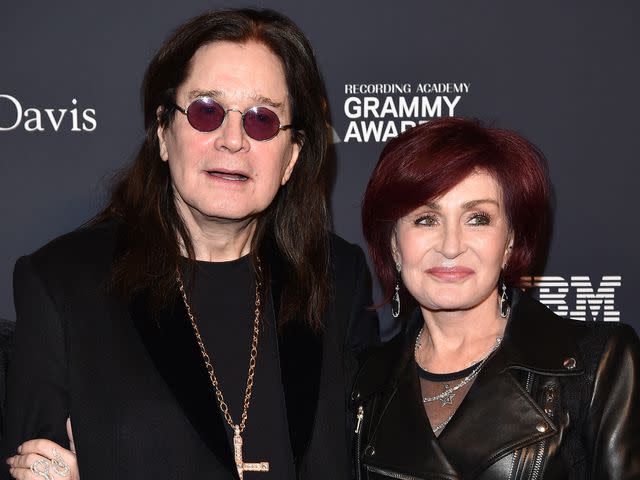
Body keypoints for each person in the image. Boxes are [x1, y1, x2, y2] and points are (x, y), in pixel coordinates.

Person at [2, 8, 378, 480]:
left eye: (262, 120)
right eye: (206, 111)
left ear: (292, 157)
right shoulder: (62, 282)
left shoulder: (338, 276)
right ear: (164, 131)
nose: (232, 140)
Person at [354, 117, 640, 479]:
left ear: (509, 243)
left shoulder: (596, 367)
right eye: (426, 219)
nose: (451, 246)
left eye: (478, 218)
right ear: (394, 244)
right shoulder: (364, 383)